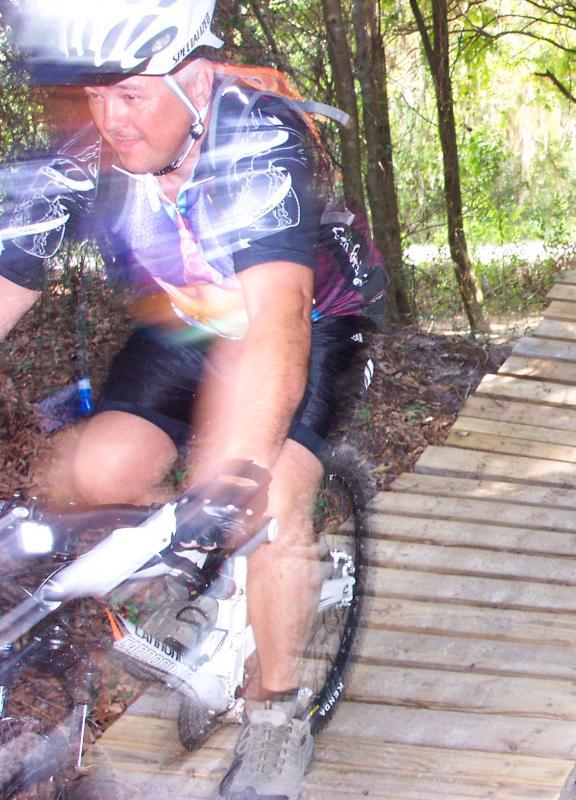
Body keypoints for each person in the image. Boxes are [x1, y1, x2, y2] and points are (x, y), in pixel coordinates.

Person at [0, 2, 384, 797]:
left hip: (307, 318)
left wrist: (229, 481)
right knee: (93, 472)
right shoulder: (83, 148)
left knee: (269, 500)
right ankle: (185, 575)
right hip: (185, 323)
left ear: (195, 75)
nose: (109, 120)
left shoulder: (257, 139)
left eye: (131, 95)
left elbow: (276, 323)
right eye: (92, 95)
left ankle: (275, 712)